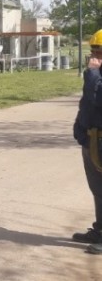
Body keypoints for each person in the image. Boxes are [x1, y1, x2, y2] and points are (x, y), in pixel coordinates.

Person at [73, 29, 102, 253]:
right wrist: (80, 130)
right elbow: (87, 105)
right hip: (92, 140)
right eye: (93, 51)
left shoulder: (94, 76)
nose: (94, 56)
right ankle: (99, 230)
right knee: (97, 189)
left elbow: (97, 98)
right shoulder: (95, 75)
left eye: (99, 52)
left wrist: (91, 74)